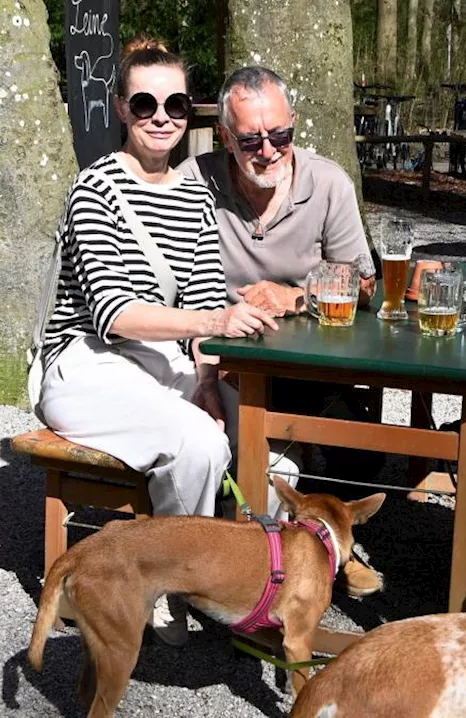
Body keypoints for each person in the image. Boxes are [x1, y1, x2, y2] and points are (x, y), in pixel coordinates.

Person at [36, 37, 280, 646]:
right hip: (87, 365)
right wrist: (216, 326)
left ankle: (258, 582)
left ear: (192, 109)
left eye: (176, 102)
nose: (162, 116)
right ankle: (166, 581)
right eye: (144, 103)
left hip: (161, 364)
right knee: (197, 442)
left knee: (266, 446)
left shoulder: (195, 193)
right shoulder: (95, 188)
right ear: (121, 108)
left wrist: (205, 381)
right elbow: (115, 314)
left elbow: (199, 301)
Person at [176, 66, 383, 596]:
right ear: (224, 135)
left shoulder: (328, 182)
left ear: (294, 124)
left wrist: (294, 297)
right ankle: (247, 577)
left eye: (281, 136)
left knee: (360, 450)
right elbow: (172, 287)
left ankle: (331, 549)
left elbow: (363, 284)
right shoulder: (193, 181)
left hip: (306, 360)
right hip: (218, 356)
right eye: (250, 140)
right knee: (252, 454)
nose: (268, 151)